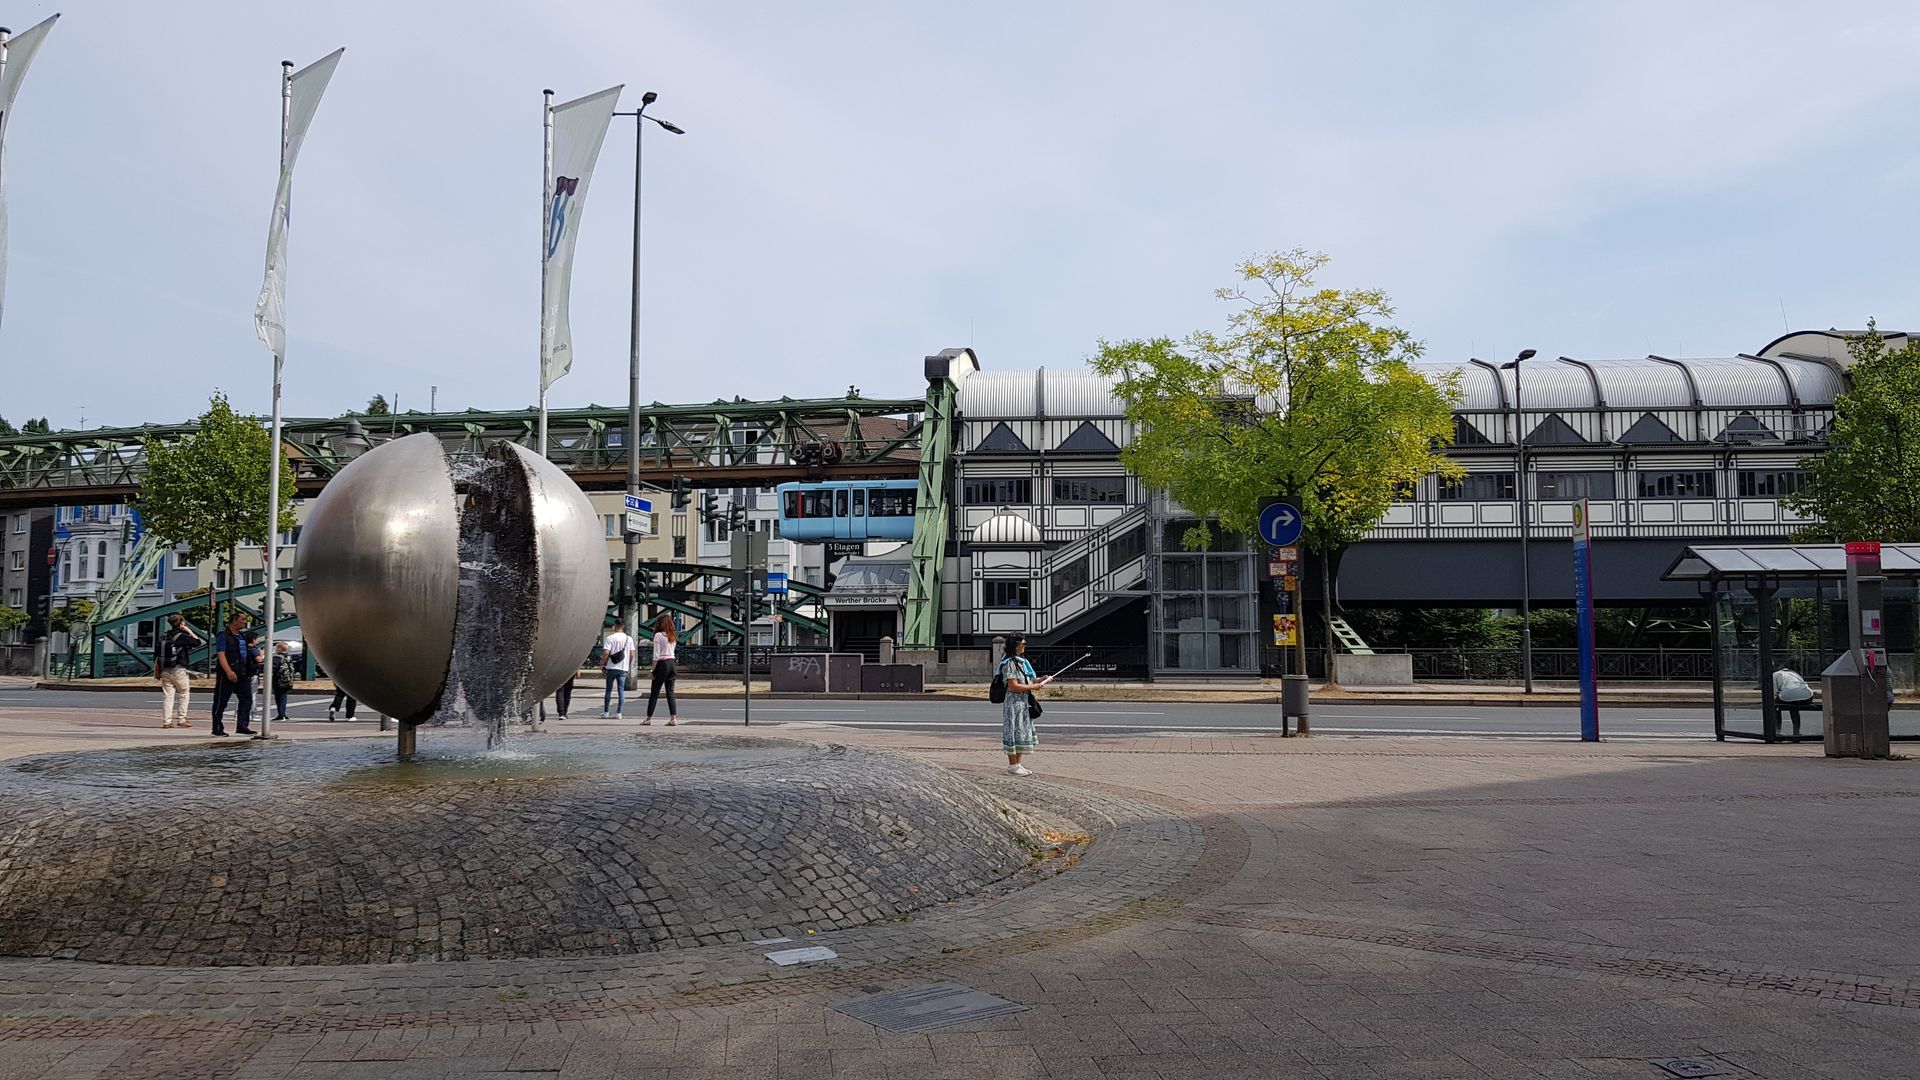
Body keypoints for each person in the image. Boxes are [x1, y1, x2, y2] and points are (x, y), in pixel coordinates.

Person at [998, 634, 1050, 776]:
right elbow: (1013, 686)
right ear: (1016, 645)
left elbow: (1028, 679)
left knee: (1021, 730)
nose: (1025, 646)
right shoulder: (1009, 663)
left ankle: (1017, 764)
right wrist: (1034, 687)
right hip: (1013, 703)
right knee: (1014, 730)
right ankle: (1012, 765)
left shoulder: (1022, 662)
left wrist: (1041, 680)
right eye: (1023, 643)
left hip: (1023, 701)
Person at [153, 612, 202, 729]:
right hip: (178, 669)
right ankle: (181, 719)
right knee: (184, 693)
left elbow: (156, 654)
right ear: (181, 624)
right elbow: (198, 642)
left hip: (165, 669)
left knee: (168, 696)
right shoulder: (182, 637)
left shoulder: (163, 637)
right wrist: (189, 630)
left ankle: (167, 721)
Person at [210, 613, 256, 737]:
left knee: (247, 699)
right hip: (227, 674)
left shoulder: (242, 636)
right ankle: (217, 727)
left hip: (243, 672)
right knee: (221, 701)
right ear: (235, 621)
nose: (245, 622)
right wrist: (228, 671)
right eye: (243, 620)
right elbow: (221, 654)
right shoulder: (223, 636)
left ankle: (242, 726)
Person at [643, 614, 679, 727]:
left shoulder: (658, 635)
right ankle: (673, 718)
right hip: (672, 663)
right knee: (670, 692)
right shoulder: (672, 635)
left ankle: (648, 718)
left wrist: (652, 671)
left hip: (662, 663)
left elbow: (656, 655)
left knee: (655, 692)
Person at [600, 619, 634, 719]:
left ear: (614, 626)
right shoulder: (629, 639)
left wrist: (602, 663)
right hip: (623, 668)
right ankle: (619, 713)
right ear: (623, 626)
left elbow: (606, 653)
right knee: (621, 690)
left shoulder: (610, 638)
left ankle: (606, 712)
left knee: (608, 690)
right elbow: (632, 654)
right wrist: (628, 665)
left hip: (611, 667)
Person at [1773, 663, 1816, 737]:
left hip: (1788, 695)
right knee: (1793, 707)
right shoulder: (1794, 673)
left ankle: (1777, 730)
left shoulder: (1775, 674)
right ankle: (1796, 731)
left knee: (1775, 705)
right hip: (1807, 696)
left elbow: (1774, 692)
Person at [269, 640, 296, 722]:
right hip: (288, 680)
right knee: (283, 697)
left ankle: (281, 714)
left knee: (279, 697)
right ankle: (283, 713)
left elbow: (273, 668)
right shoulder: (288, 657)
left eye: (277, 647)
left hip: (279, 680)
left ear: (280, 648)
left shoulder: (277, 658)